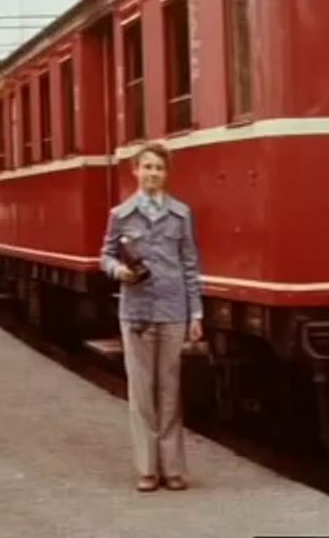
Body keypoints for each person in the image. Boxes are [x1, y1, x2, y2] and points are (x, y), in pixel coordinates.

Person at [100, 142, 204, 493]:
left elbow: (190, 265)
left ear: (166, 173)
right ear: (136, 171)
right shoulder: (121, 214)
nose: (152, 174)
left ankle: (173, 468)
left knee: (170, 390)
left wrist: (196, 313)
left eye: (158, 168)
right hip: (137, 313)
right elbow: (106, 256)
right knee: (142, 392)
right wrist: (119, 272)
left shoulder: (181, 215)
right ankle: (147, 469)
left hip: (173, 310)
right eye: (147, 167)